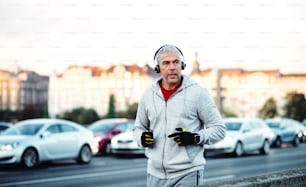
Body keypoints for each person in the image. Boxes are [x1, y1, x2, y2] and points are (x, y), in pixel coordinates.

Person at [133, 44, 226, 187]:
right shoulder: (147, 95)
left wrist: (195, 137)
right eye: (166, 63)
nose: (172, 67)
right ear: (158, 68)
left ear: (182, 65)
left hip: (187, 172)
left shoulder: (198, 93)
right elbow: (138, 128)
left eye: (176, 62)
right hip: (154, 173)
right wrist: (142, 138)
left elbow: (219, 129)